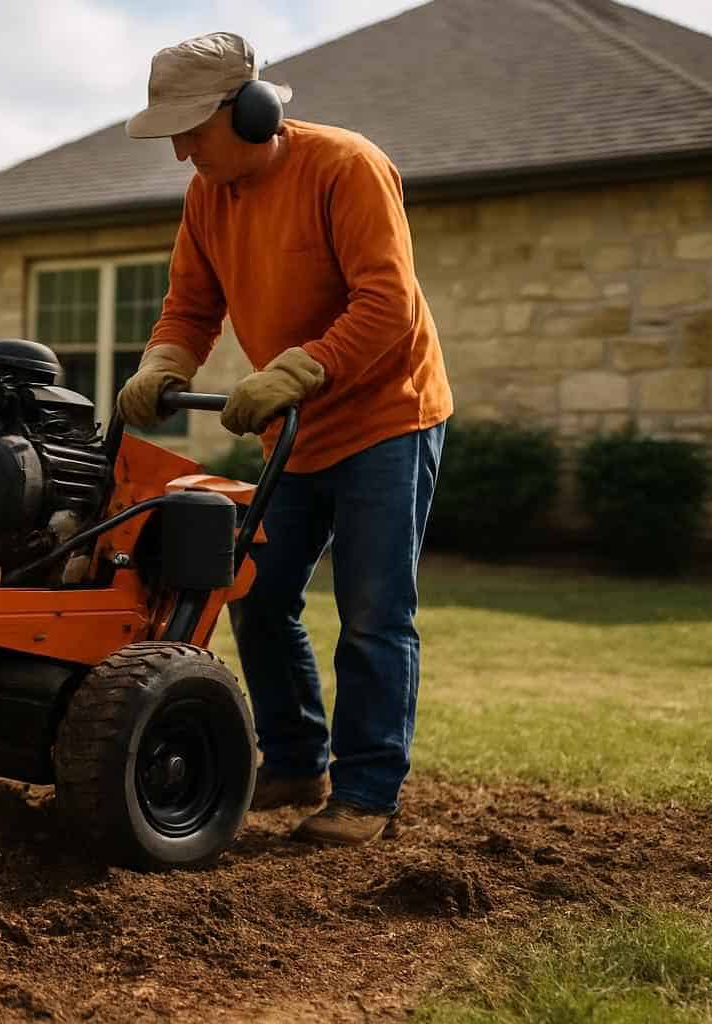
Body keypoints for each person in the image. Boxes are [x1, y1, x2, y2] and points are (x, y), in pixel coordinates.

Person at [117, 32, 453, 846]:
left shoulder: (346, 167)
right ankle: (298, 760)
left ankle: (368, 794)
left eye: (192, 131)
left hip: (387, 416)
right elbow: (193, 305)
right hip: (295, 428)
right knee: (257, 594)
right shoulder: (208, 196)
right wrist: (165, 359)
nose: (180, 152)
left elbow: (387, 304)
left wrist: (299, 370)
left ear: (253, 110)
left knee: (374, 610)